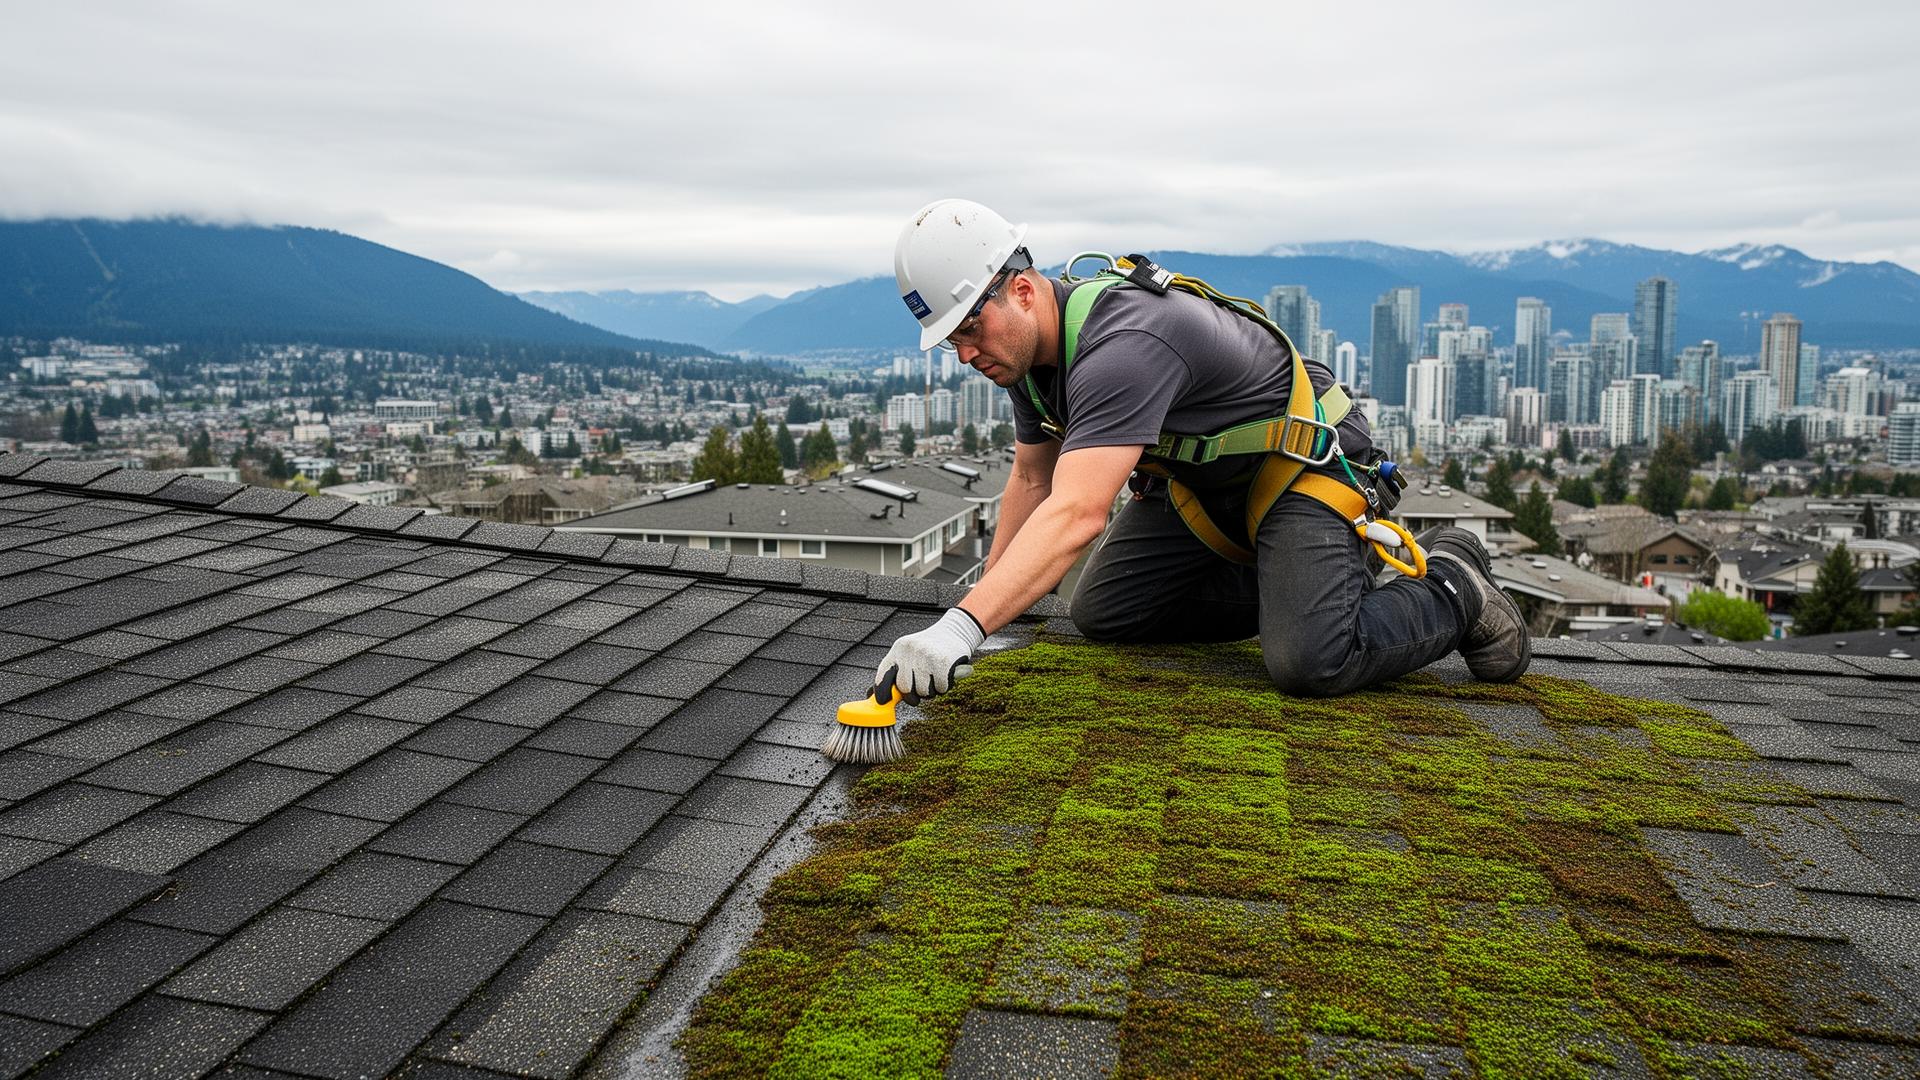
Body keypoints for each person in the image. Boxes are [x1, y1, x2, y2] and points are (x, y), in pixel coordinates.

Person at [872, 198, 1528, 704]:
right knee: (1107, 613)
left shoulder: (1122, 343)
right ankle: (1308, 588)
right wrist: (984, 606)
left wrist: (960, 629)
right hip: (1209, 490)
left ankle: (1452, 582)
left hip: (1303, 467)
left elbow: (1077, 513)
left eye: (969, 329)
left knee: (1311, 661)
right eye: (951, 341)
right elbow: (1031, 482)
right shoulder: (1034, 364)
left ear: (1021, 290)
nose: (965, 354)